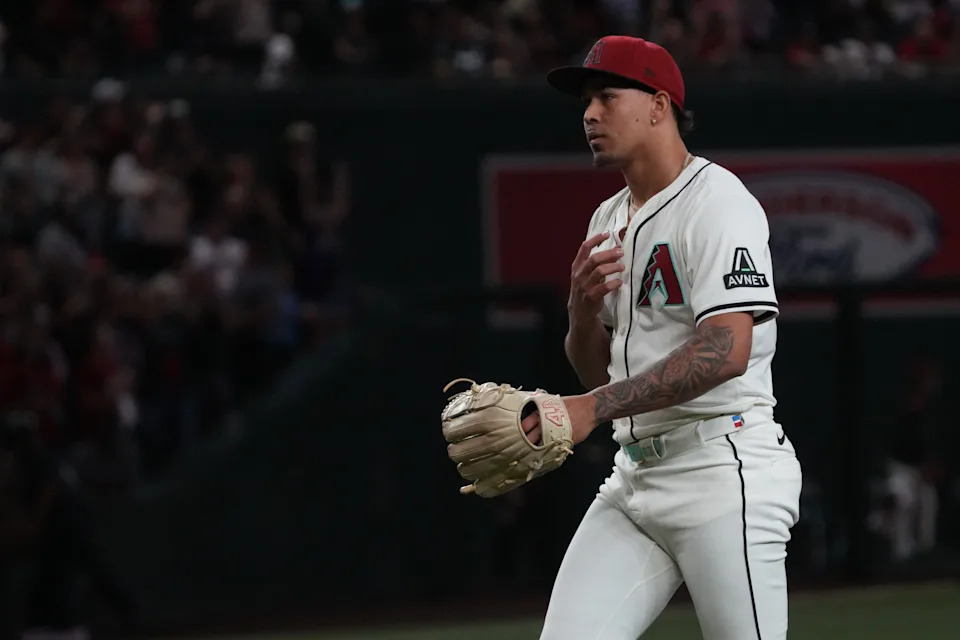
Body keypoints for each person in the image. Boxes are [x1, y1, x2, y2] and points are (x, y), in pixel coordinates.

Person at [524, 35, 803, 639]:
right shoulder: (608, 218)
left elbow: (728, 349)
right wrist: (578, 313)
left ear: (658, 104)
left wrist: (590, 409)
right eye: (585, 103)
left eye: (606, 96)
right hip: (636, 478)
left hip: (723, 471)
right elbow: (596, 375)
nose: (589, 114)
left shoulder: (718, 203)